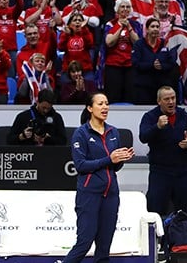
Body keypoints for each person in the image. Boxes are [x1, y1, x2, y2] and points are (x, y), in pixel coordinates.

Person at [62, 92, 134, 263]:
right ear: (89, 108)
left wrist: (121, 158)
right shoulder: (81, 133)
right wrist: (110, 159)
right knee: (84, 243)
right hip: (89, 194)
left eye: (107, 104)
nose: (105, 107)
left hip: (111, 195)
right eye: (100, 104)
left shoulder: (113, 132)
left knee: (104, 249)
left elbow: (113, 167)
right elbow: (81, 165)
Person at [139, 86, 187, 216]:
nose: (171, 102)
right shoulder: (150, 116)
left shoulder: (183, 115)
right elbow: (143, 137)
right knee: (155, 211)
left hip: (182, 172)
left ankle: (185, 235)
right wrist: (157, 127)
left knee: (185, 212)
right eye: (167, 99)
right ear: (159, 101)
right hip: (160, 172)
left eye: (173, 98)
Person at [103, 0, 142, 104]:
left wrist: (128, 27)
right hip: (113, 64)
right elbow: (109, 42)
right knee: (113, 96)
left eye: (128, 7)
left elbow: (137, 43)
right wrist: (120, 27)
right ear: (117, 9)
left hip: (130, 64)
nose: (125, 9)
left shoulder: (135, 25)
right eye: (122, 6)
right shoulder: (110, 24)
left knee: (130, 96)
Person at [133, 17, 179, 105]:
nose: (155, 29)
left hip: (162, 86)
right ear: (147, 29)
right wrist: (151, 65)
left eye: (157, 27)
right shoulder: (139, 44)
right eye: (152, 26)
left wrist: (162, 66)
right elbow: (136, 63)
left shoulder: (165, 43)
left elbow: (171, 63)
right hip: (144, 86)